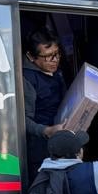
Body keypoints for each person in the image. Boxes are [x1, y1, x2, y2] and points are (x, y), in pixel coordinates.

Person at [23, 30, 66, 183]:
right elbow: (23, 120)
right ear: (30, 57)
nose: (55, 60)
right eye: (48, 56)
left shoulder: (54, 71)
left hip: (58, 142)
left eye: (57, 53)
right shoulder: (26, 80)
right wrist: (46, 131)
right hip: (39, 149)